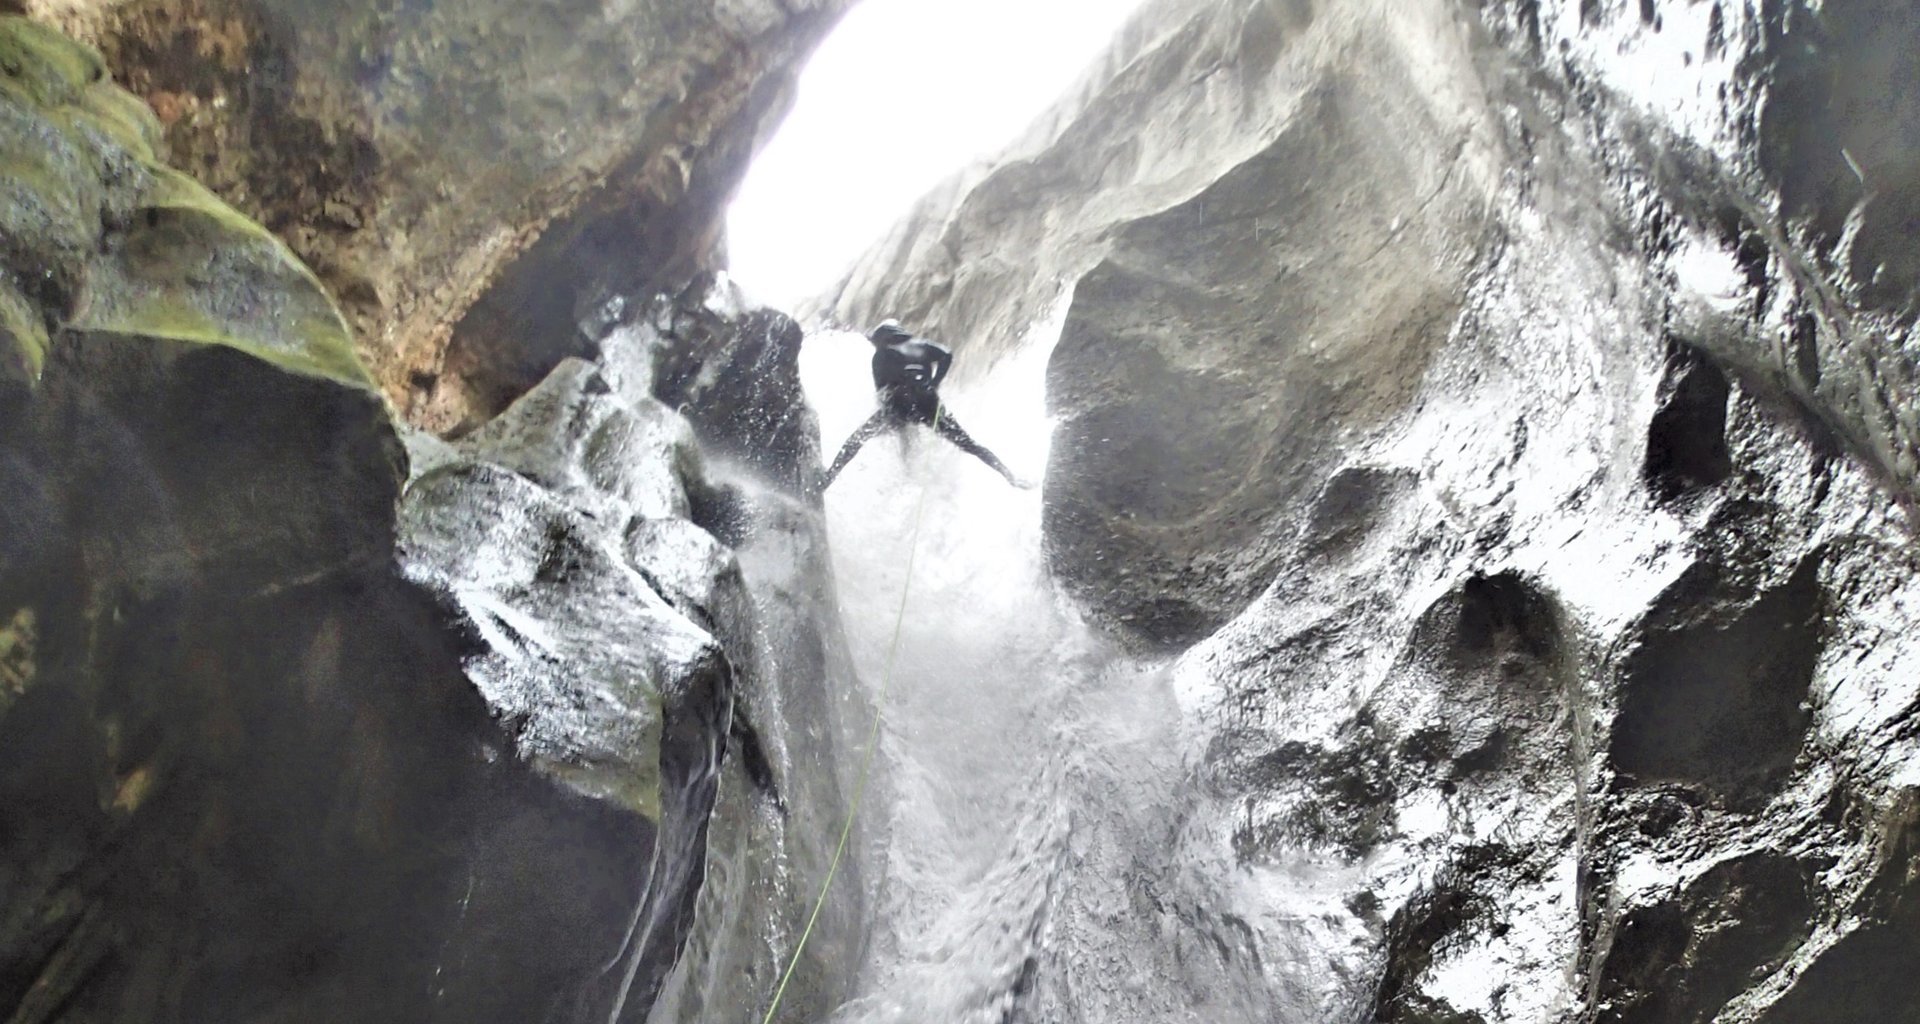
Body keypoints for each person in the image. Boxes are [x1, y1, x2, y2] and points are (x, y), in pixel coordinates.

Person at [820, 320, 1030, 490]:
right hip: (929, 405)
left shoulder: (881, 355)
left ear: (883, 338)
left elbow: (882, 391)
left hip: (899, 406)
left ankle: (829, 477)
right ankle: (1010, 477)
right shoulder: (922, 345)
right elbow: (947, 354)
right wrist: (935, 382)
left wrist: (893, 415)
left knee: (857, 439)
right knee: (969, 444)